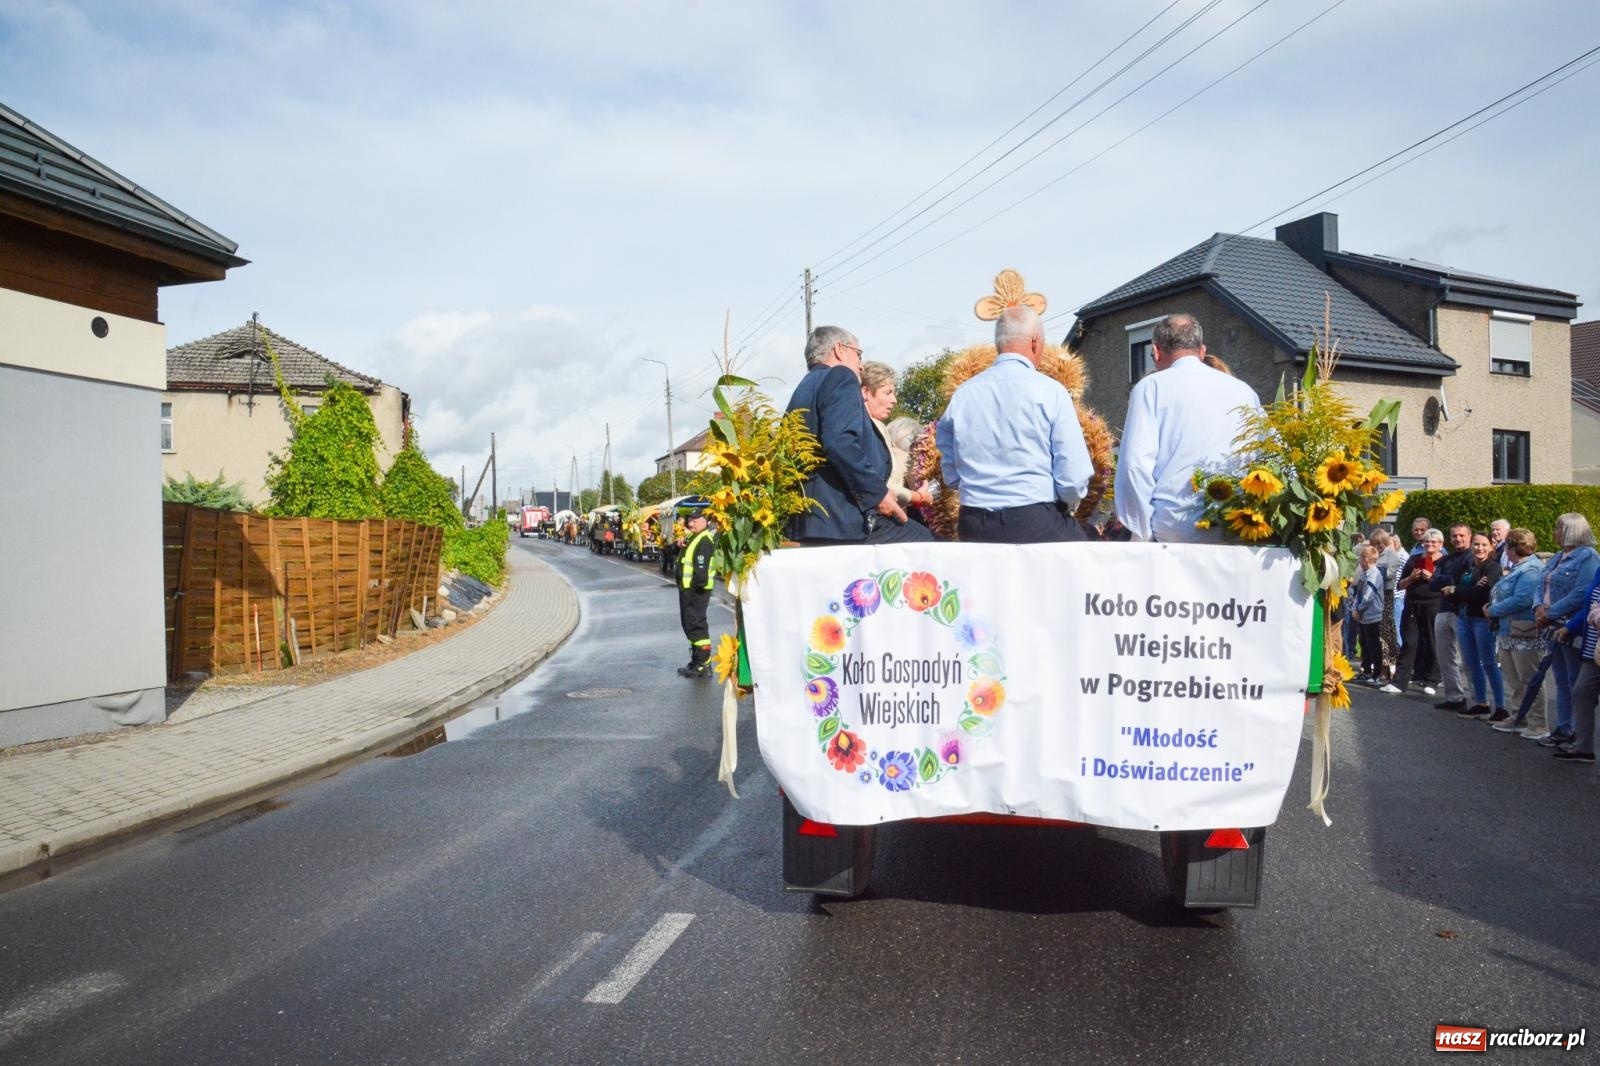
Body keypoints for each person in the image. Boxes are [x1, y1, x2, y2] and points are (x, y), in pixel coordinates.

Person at [936, 306, 1093, 543]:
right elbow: (1074, 474)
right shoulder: (1050, 391)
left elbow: (950, 466)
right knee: (1086, 568)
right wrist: (1066, 502)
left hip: (974, 523)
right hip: (1035, 518)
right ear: (1035, 342)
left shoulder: (964, 394)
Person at [1113, 313, 1262, 543]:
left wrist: (1142, 534)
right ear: (1202, 351)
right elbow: (1269, 452)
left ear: (1155, 352)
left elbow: (1135, 466)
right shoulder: (1244, 391)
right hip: (1238, 524)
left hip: (1175, 529)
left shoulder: (1150, 388)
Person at [785, 326, 931, 545]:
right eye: (858, 354)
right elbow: (840, 442)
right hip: (843, 518)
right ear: (839, 350)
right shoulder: (841, 376)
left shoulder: (803, 388)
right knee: (924, 543)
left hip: (810, 518)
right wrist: (877, 495)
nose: (860, 365)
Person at [1533, 513, 1600, 745]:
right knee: (1560, 680)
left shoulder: (1588, 557)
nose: (1554, 532)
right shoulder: (1559, 557)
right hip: (1552, 625)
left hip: (1570, 626)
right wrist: (1538, 607)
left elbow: (1582, 593)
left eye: (1558, 528)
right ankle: (1563, 728)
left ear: (1571, 530)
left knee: (1574, 680)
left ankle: (1574, 732)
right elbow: (1541, 582)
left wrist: (1549, 613)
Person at [1487, 528, 1548, 736]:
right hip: (1509, 631)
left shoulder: (1530, 570)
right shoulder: (1518, 568)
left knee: (1530, 679)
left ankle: (1538, 723)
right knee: (1515, 679)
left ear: (1512, 548)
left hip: (1525, 632)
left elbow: (1523, 599)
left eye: (1506, 546)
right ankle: (1519, 717)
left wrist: (1493, 610)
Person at [1445, 531, 1504, 720]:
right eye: (1476, 545)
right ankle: (1481, 702)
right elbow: (1450, 587)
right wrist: (1467, 589)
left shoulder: (1493, 568)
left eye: (1484, 545)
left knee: (1488, 662)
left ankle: (1501, 707)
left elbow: (1484, 595)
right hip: (1463, 618)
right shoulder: (1469, 567)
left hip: (1481, 620)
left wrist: (1459, 590)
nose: (1480, 548)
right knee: (1470, 663)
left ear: (1491, 547)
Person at [859, 362, 933, 514]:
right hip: (876, 518)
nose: (894, 400)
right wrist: (918, 497)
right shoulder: (872, 428)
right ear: (866, 392)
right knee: (926, 538)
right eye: (888, 393)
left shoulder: (869, 425)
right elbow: (882, 483)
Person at [1389, 529, 1444, 695]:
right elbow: (1400, 585)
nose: (1430, 544)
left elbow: (1448, 584)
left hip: (1434, 605)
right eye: (1427, 541)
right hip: (1413, 605)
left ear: (1441, 544)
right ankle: (1399, 682)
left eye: (1434, 542)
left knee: (1433, 642)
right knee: (1410, 642)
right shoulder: (1414, 560)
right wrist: (1412, 577)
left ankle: (1433, 680)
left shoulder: (1445, 562)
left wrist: (1432, 579)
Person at [1430, 523, 1475, 710]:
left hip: (1461, 612)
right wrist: (1450, 580)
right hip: (1443, 610)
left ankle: (1478, 699)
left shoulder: (1472, 557)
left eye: (1461, 535)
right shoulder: (1445, 560)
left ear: (1469, 536)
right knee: (1444, 657)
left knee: (1466, 657)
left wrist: (1449, 581)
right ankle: (1454, 697)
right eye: (1454, 535)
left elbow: (1465, 582)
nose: (1458, 539)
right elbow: (1433, 584)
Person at [676, 509, 716, 678]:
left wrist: (694, 586)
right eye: (690, 520)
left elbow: (701, 569)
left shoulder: (704, 541)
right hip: (688, 589)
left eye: (695, 520)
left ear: (705, 521)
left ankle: (704, 664)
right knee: (690, 625)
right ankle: (696, 661)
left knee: (697, 625)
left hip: (696, 590)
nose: (690, 523)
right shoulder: (694, 537)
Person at [1351, 546, 1385, 683]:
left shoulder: (1374, 574)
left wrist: (1358, 609)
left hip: (1373, 615)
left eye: (1360, 558)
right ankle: (1366, 670)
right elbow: (1358, 593)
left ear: (1365, 560)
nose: (1359, 561)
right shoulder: (1365, 574)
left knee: (1374, 645)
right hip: (1364, 616)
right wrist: (1354, 608)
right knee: (1364, 643)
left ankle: (1377, 674)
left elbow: (1368, 596)